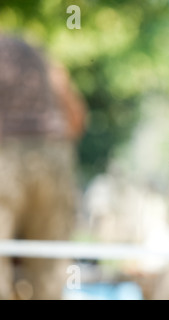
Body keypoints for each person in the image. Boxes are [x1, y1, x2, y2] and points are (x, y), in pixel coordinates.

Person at [0, 36, 86, 299]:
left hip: (6, 153)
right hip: (54, 153)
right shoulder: (39, 54)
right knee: (49, 261)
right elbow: (76, 118)